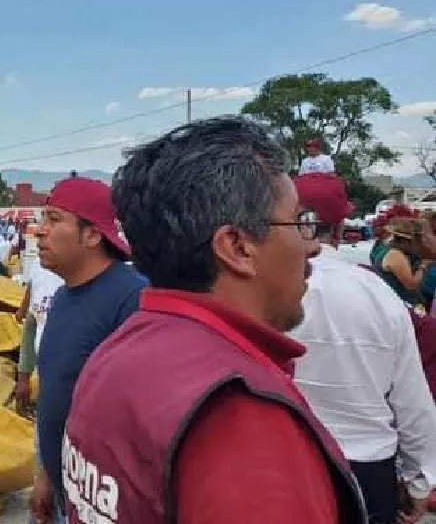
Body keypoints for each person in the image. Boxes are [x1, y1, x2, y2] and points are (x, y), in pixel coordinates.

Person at [61, 116, 367, 524]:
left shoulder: (116, 351)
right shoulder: (243, 422)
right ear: (237, 246)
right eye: (298, 222)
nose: (311, 246)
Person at [291, 186, 436, 524]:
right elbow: (413, 404)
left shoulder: (253, 292)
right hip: (367, 472)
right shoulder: (374, 292)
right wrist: (418, 484)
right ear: (341, 227)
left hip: (287, 465)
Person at [29, 176, 146, 524]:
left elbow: (138, 421)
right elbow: (59, 392)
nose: (39, 231)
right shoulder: (64, 296)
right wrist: (47, 475)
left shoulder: (132, 300)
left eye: (54, 219)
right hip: (67, 488)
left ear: (93, 235)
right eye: (42, 218)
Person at [14, 255, 64, 416]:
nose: (42, 234)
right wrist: (23, 380)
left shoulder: (87, 277)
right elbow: (31, 323)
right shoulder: (38, 264)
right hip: (46, 375)